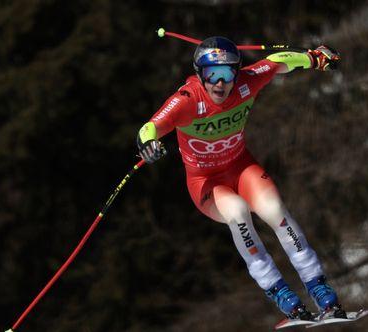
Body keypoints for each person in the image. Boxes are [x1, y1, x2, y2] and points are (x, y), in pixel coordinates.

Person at [136, 36, 343, 321]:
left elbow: (277, 62)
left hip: (241, 167)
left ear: (237, 72)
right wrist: (149, 144)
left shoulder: (246, 83)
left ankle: (320, 289)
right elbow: (150, 127)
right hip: (207, 183)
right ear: (200, 74)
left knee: (274, 211)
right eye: (211, 75)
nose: (219, 84)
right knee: (238, 212)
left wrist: (314, 58)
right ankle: (280, 293)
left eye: (226, 74)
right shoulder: (187, 100)